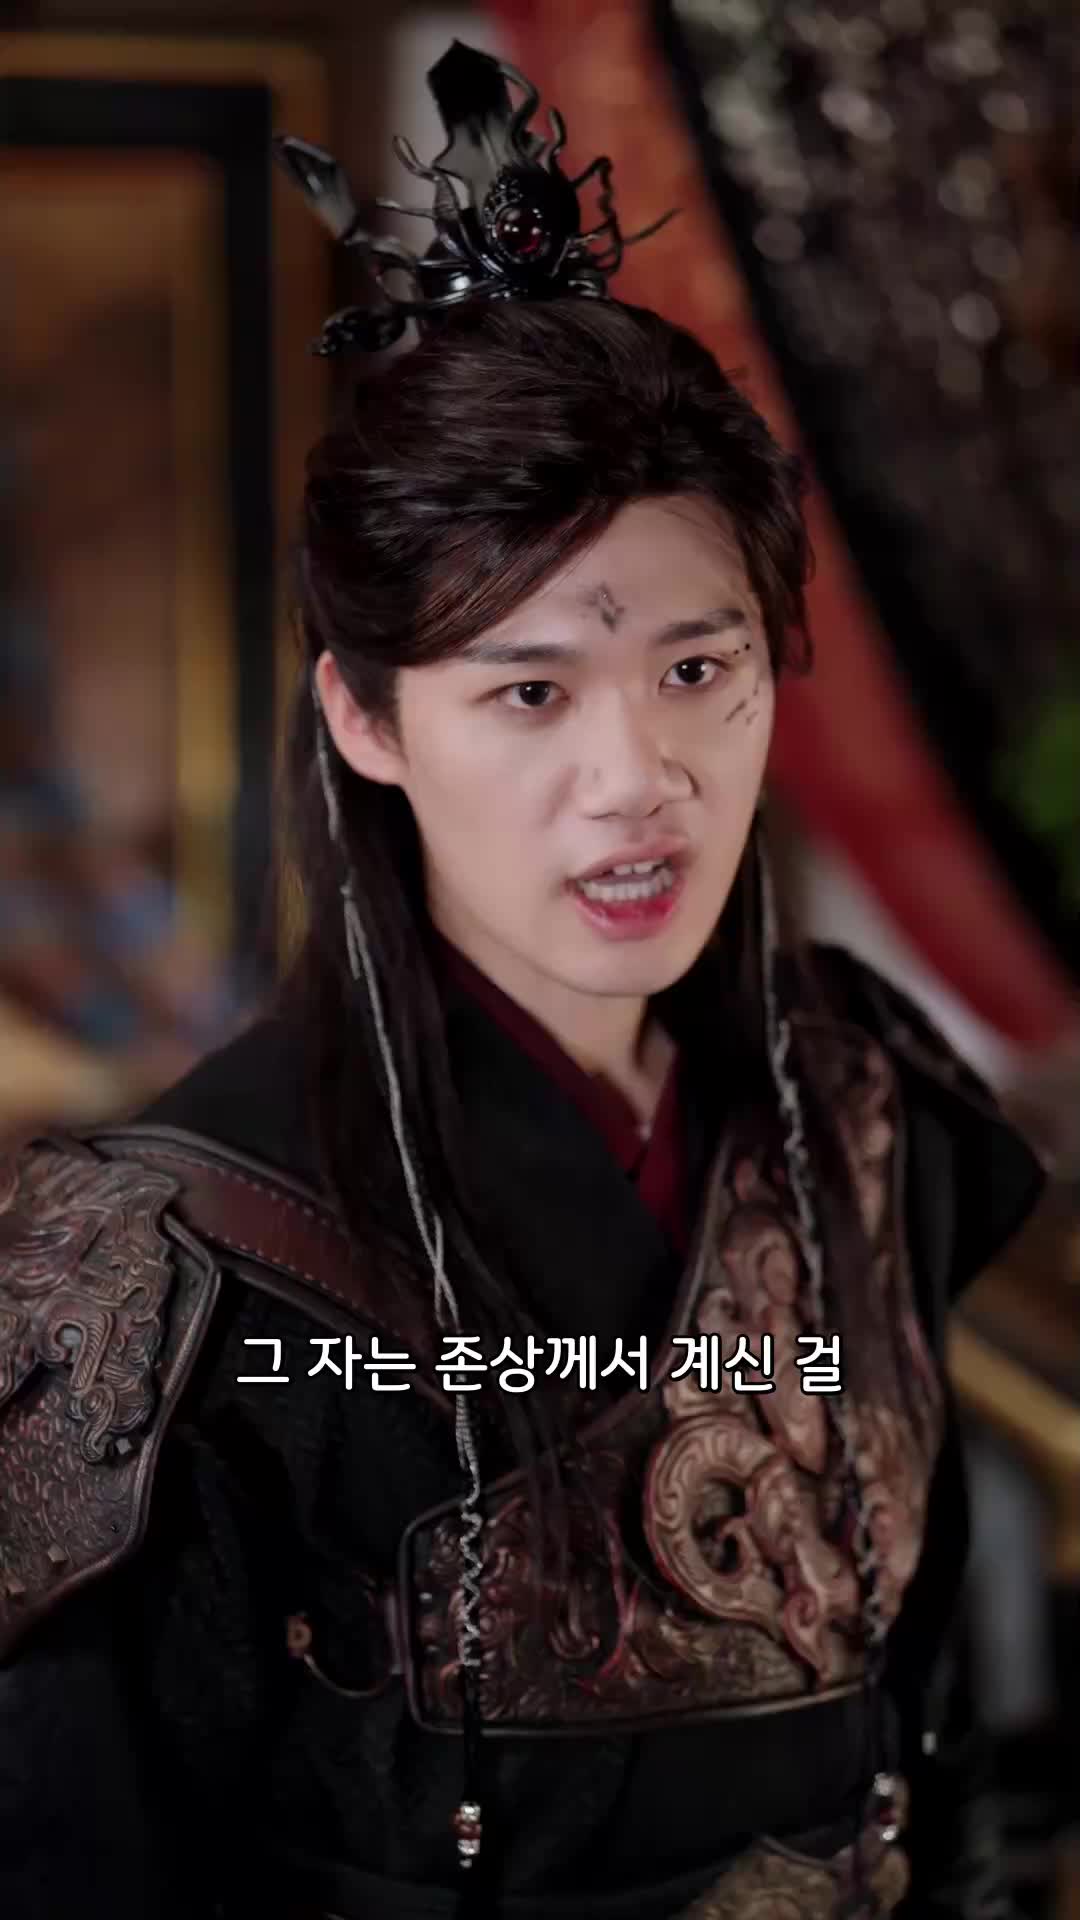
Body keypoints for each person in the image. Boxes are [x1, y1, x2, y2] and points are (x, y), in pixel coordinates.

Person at [0, 40, 1046, 1920]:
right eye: (531, 690)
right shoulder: (151, 1276)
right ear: (366, 718)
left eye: (697, 671)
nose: (636, 779)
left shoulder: (865, 1107)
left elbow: (938, 1748)